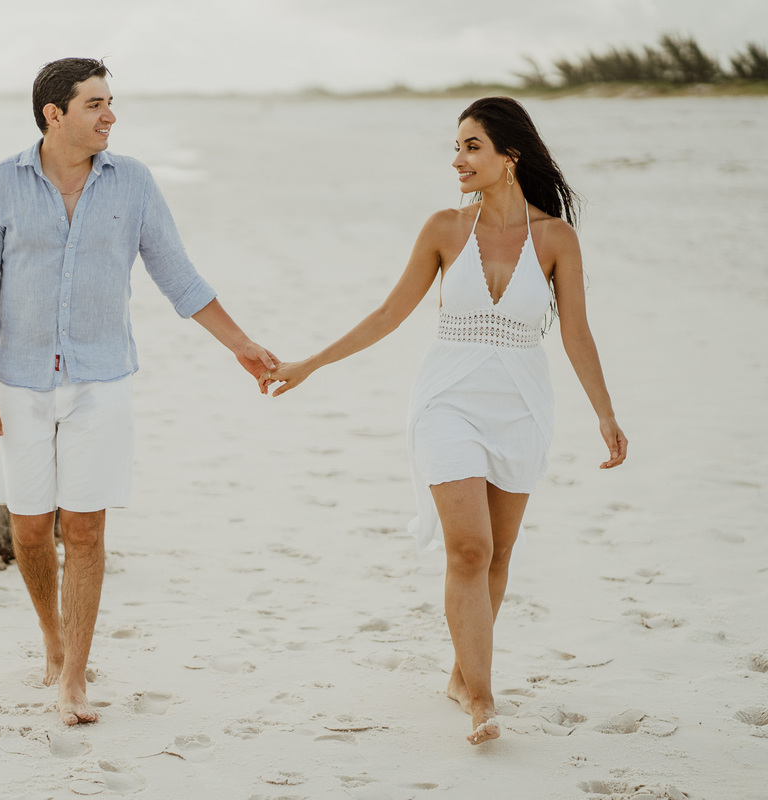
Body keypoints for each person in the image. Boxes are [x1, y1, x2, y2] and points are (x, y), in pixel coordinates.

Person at [259, 97, 627, 745]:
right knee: (470, 547)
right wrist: (310, 363)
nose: (457, 160)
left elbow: (576, 331)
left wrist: (605, 413)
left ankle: (463, 672)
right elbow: (386, 315)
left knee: (500, 552)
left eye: (472, 146)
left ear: (510, 155)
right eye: (456, 147)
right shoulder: (443, 229)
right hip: (446, 401)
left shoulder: (555, 239)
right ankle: (482, 699)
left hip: (520, 403)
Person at [0, 57, 277, 726]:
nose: (109, 115)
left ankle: (73, 674)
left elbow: (179, 277)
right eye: (95, 104)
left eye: (110, 102)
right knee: (31, 529)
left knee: (87, 528)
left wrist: (242, 344)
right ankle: (50, 634)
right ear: (54, 114)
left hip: (101, 380)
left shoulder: (132, 183)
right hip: (17, 383)